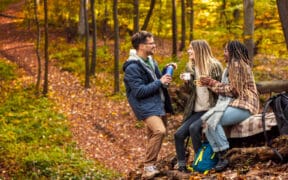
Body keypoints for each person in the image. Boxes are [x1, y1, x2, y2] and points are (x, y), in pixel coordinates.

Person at [200, 40, 260, 172]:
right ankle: (221, 155)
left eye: (226, 50)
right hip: (236, 104)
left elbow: (233, 91)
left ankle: (225, 155)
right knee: (206, 121)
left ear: (233, 52)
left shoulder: (237, 65)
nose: (224, 53)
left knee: (213, 121)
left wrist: (211, 83)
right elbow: (230, 88)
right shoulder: (231, 67)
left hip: (246, 104)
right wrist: (212, 83)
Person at [122, 31, 175, 179]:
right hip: (145, 106)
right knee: (159, 131)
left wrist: (167, 71)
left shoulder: (151, 61)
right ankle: (148, 166)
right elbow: (139, 91)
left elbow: (158, 80)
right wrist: (160, 82)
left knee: (153, 134)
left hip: (158, 103)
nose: (154, 45)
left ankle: (149, 165)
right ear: (141, 46)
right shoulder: (132, 67)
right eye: (151, 43)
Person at [174, 40, 223, 173]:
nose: (188, 51)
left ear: (200, 50)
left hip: (212, 108)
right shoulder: (190, 67)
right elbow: (191, 91)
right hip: (197, 110)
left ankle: (200, 162)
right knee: (178, 134)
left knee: (194, 128)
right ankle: (182, 166)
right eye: (188, 49)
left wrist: (209, 83)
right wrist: (187, 82)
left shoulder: (215, 66)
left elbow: (223, 89)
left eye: (191, 49)